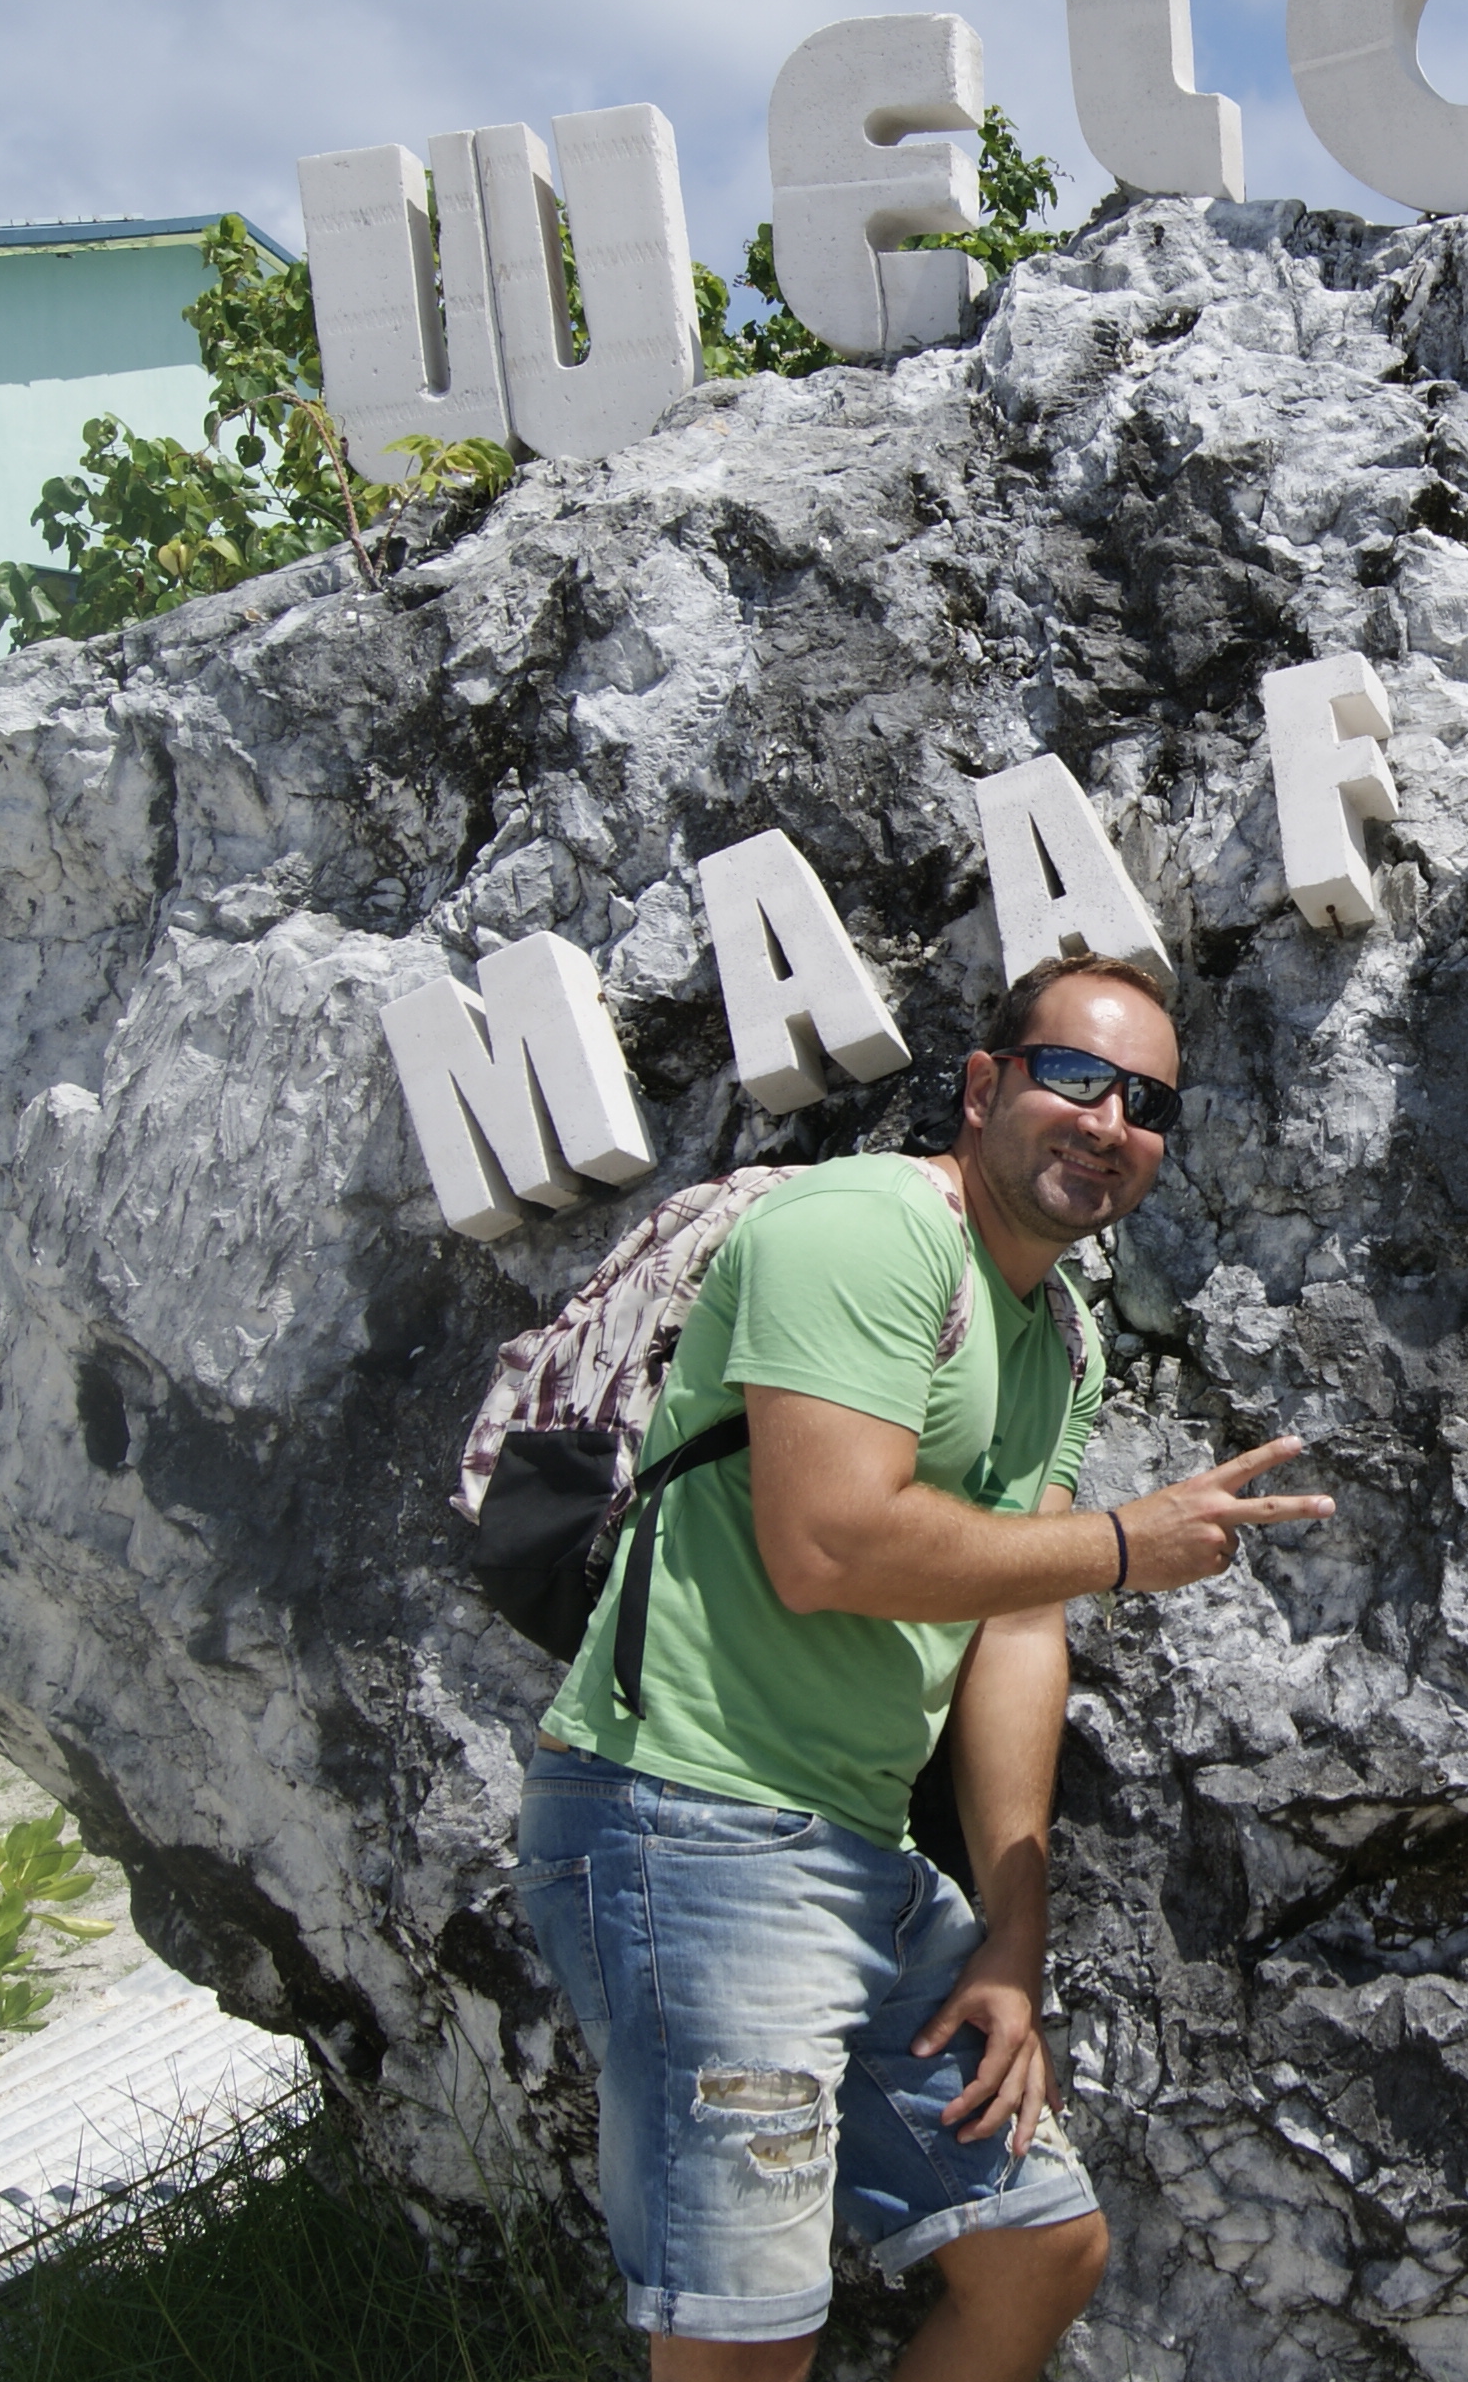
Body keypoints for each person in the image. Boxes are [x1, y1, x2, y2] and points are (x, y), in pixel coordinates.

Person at [515, 949, 1331, 2382]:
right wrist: (1122, 1544)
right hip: (690, 1827)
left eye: (1146, 1104)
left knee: (1037, 2250)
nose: (1110, 1123)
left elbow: (1015, 1622)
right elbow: (828, 1544)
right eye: (1075, 1076)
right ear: (983, 1086)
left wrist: (1014, 1936)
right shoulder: (869, 1228)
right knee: (746, 2345)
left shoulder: (1062, 1342)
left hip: (864, 1859)